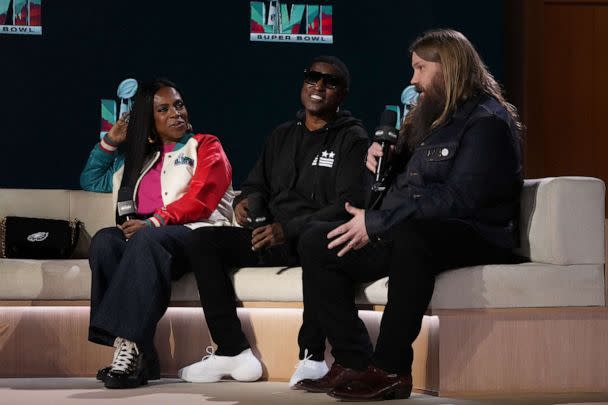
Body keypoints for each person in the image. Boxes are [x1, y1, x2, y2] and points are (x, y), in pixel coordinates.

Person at [295, 29, 523, 401]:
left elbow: (458, 199)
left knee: (413, 235)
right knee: (317, 242)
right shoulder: (430, 118)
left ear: (448, 67)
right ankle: (354, 361)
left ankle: (391, 368)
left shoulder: (487, 121)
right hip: (416, 230)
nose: (412, 80)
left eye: (420, 68)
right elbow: (401, 189)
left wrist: (379, 223)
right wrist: (379, 163)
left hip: (478, 233)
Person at [177, 56, 369, 386]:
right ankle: (231, 349)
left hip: (312, 240)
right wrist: (243, 203)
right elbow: (256, 185)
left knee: (314, 243)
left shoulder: (353, 139)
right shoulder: (281, 135)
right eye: (312, 77)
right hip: (269, 236)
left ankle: (312, 355)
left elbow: (347, 205)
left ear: (343, 94)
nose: (319, 86)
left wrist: (287, 229)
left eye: (330, 81)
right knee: (202, 241)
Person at [80, 78, 235, 389]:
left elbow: (201, 198)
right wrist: (112, 139)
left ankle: (128, 346)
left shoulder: (205, 145)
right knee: (106, 241)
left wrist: (154, 223)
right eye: (163, 109)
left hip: (197, 238)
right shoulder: (136, 160)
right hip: (150, 243)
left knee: (147, 238)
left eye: (178, 105)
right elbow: (90, 178)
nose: (176, 113)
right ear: (149, 123)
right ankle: (140, 356)